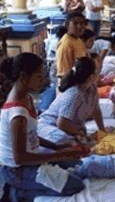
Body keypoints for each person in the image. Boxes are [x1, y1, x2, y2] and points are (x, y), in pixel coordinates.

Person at [0, 53, 89, 201]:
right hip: (17, 170)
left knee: (76, 165)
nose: (43, 80)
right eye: (39, 76)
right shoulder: (18, 115)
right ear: (23, 76)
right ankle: (17, 193)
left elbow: (31, 135)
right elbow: (20, 158)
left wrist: (58, 147)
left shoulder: (27, 98)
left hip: (29, 160)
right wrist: (59, 155)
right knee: (74, 185)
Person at [37, 57, 110, 145]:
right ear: (91, 77)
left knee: (79, 141)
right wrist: (79, 131)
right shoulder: (74, 93)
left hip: (69, 127)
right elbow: (62, 123)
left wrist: (102, 130)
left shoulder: (92, 88)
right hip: (49, 125)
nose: (100, 74)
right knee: (63, 140)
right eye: (98, 72)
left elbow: (96, 110)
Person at [56, 12, 87, 87]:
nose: (79, 27)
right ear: (67, 25)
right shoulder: (65, 44)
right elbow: (63, 73)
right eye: (75, 24)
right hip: (70, 85)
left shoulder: (78, 40)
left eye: (82, 23)